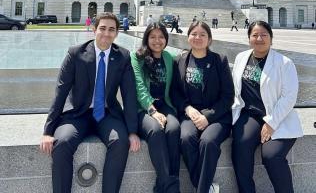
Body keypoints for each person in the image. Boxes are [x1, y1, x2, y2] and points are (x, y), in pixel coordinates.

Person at [40, 12, 140, 193]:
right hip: (78, 114)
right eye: (102, 28)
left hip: (107, 114)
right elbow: (60, 92)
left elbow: (129, 95)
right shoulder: (75, 53)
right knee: (61, 143)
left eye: (111, 30)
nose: (106, 33)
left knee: (120, 142)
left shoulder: (123, 57)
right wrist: (48, 130)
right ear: (94, 30)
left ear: (117, 33)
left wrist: (132, 131)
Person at [231, 20, 303, 193]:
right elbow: (234, 90)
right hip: (251, 116)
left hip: (278, 117)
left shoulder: (284, 63)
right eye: (255, 35)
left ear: (271, 38)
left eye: (264, 35)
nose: (259, 39)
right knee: (239, 148)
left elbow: (289, 97)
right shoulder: (242, 58)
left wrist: (271, 123)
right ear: (249, 38)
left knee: (271, 156)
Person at [172, 21, 234, 193]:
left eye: (202, 35)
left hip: (217, 116)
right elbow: (175, 93)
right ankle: (206, 187)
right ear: (188, 37)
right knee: (185, 138)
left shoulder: (219, 60)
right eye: (194, 34)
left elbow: (228, 96)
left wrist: (207, 116)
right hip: (189, 114)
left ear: (210, 39)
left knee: (208, 142)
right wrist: (187, 109)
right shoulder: (179, 60)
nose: (197, 37)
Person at [131, 22, 181, 193]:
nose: (157, 41)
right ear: (146, 39)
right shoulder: (137, 57)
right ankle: (171, 186)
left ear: (166, 39)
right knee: (156, 130)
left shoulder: (168, 57)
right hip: (143, 109)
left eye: (161, 37)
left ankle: (163, 185)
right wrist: (152, 111)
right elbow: (139, 86)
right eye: (152, 37)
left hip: (164, 105)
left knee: (174, 129)